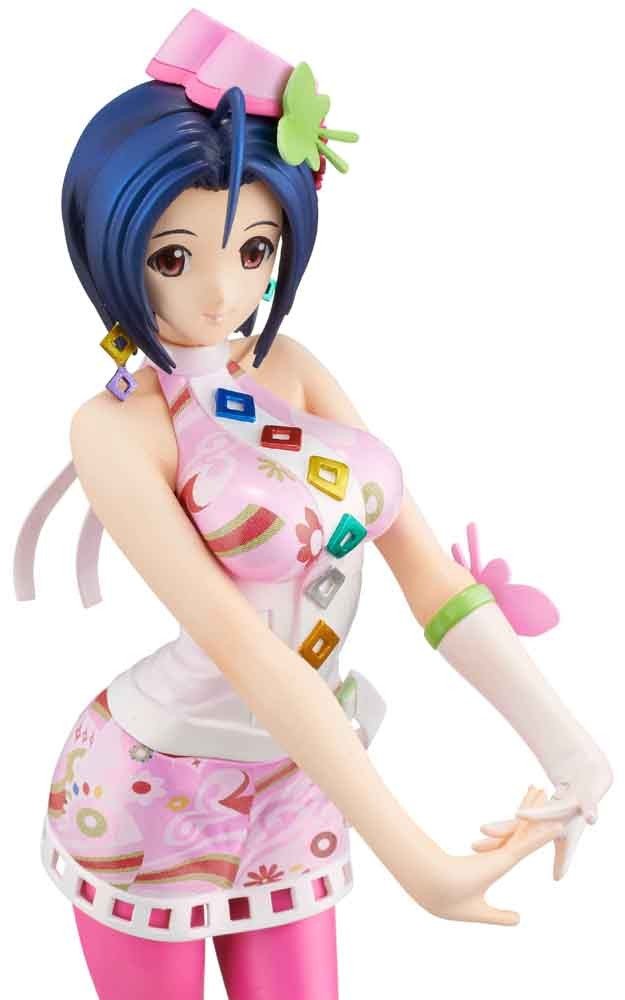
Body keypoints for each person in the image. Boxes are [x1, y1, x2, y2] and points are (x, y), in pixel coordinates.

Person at [14, 10, 612, 1000]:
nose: (221, 293)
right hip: (152, 788)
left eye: (253, 249)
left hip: (301, 781)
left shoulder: (290, 366)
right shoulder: (117, 427)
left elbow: (431, 576)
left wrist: (574, 753)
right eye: (174, 258)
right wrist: (418, 862)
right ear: (112, 245)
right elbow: (247, 652)